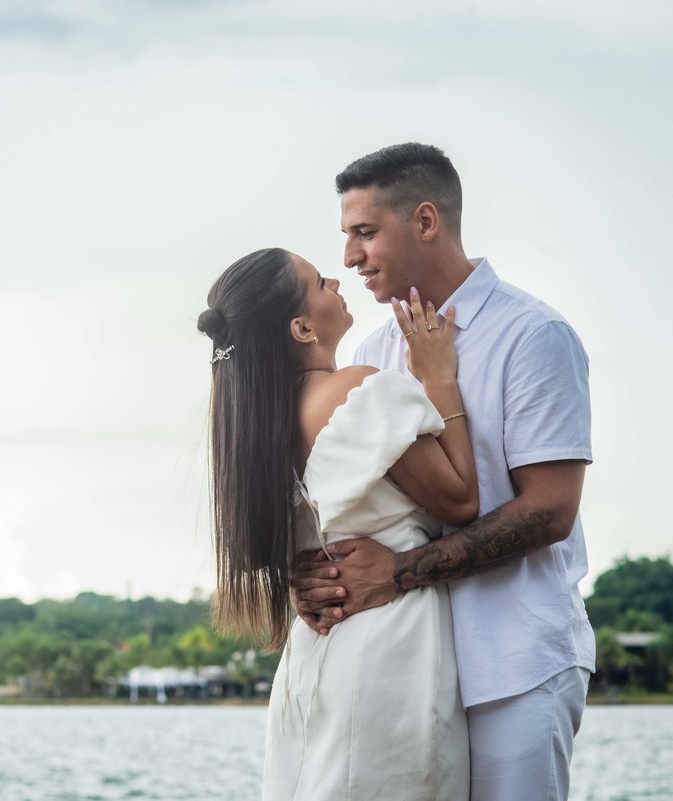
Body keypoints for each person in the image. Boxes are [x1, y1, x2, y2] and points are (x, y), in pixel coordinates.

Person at [291, 142, 595, 801]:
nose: (349, 257)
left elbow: (550, 509)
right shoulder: (371, 352)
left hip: (514, 664)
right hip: (405, 671)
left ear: (425, 221)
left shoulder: (533, 336)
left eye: (364, 232)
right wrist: (316, 580)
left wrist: (397, 573)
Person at [197, 247, 478, 799]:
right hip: (388, 642)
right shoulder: (355, 393)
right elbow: (462, 498)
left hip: (313, 650)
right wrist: (438, 378)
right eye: (319, 282)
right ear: (302, 328)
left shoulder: (254, 429)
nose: (337, 280)